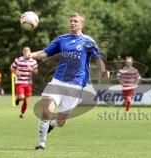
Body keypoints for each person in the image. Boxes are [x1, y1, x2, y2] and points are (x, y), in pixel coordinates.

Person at [25, 12, 110, 150]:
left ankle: (52, 124)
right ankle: (41, 144)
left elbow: (97, 58)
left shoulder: (88, 41)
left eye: (75, 21)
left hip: (76, 85)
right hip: (58, 81)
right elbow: (45, 53)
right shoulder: (62, 39)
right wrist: (32, 55)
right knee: (46, 110)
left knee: (60, 121)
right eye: (71, 20)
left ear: (82, 24)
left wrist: (103, 70)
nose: (72, 23)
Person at [10, 47, 38, 118]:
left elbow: (36, 72)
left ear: (30, 52)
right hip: (20, 82)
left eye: (28, 51)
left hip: (29, 83)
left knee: (26, 101)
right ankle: (18, 99)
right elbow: (12, 68)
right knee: (22, 97)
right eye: (25, 51)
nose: (26, 52)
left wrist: (31, 69)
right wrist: (16, 72)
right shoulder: (18, 60)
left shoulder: (33, 62)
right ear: (23, 52)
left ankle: (22, 113)